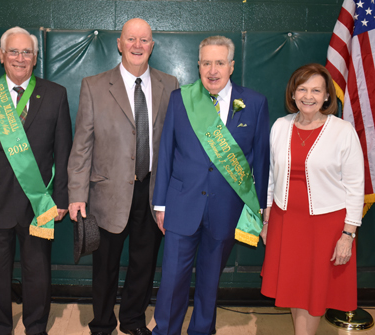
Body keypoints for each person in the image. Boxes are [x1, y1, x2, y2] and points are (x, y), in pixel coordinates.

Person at [67, 18, 179, 335]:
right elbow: (82, 146)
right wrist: (77, 193)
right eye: (131, 39)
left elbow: (173, 143)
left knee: (143, 265)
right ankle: (102, 322)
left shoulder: (170, 85)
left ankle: (132, 320)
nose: (137, 45)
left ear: (152, 46)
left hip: (152, 192)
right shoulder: (94, 85)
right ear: (120, 43)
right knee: (105, 267)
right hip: (107, 194)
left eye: (144, 40)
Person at [152, 35, 270, 335]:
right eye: (206, 62)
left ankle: (202, 331)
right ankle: (165, 330)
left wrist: (260, 208)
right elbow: (166, 152)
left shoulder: (254, 103)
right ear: (198, 65)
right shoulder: (181, 99)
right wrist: (160, 203)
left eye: (219, 62)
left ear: (231, 66)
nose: (212, 70)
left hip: (226, 207)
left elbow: (260, 160)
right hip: (181, 204)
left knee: (209, 281)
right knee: (172, 282)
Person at [0, 26, 72, 335]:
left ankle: (36, 327)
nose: (20, 58)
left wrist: (61, 198)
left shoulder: (55, 94)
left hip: (39, 202)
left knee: (38, 274)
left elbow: (63, 152)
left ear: (35, 59)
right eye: (14, 51)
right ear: (1, 55)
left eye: (27, 53)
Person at [260, 63, 364, 335]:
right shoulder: (280, 126)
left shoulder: (343, 131)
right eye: (302, 89)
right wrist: (268, 219)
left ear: (327, 96)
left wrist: (348, 234)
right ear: (293, 93)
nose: (309, 96)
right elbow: (271, 176)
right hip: (285, 221)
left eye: (316, 90)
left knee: (314, 292)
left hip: (325, 226)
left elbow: (355, 186)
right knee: (295, 288)